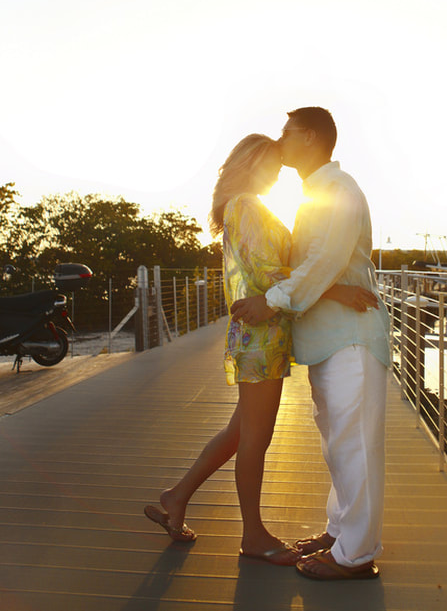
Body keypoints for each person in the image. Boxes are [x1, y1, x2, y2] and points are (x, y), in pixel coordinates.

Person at [144, 133, 376, 567]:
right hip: (260, 337)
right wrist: (334, 290)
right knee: (256, 438)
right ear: (250, 164)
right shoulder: (247, 206)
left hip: (261, 336)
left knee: (238, 433)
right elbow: (269, 273)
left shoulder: (242, 206)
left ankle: (176, 497)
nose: (277, 171)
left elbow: (272, 271)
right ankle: (253, 536)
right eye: (270, 163)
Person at [231, 107, 391, 581]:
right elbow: (313, 268)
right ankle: (341, 531)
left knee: (355, 447)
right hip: (327, 340)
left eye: (286, 132)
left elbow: (322, 263)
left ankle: (356, 555)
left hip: (351, 338)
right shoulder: (315, 195)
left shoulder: (339, 191)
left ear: (308, 136)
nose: (280, 140)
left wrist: (270, 301)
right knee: (338, 447)